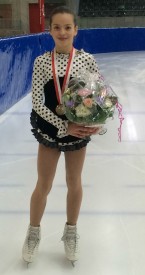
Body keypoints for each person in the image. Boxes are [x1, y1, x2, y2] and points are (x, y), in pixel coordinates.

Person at [22, 5, 101, 266]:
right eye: (57, 27)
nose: (63, 31)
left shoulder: (87, 59)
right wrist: (62, 125)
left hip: (77, 130)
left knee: (73, 182)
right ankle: (33, 233)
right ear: (50, 30)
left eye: (68, 27)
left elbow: (97, 96)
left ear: (76, 30)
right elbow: (36, 101)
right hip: (50, 127)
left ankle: (71, 232)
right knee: (43, 184)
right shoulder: (42, 61)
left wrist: (95, 123)